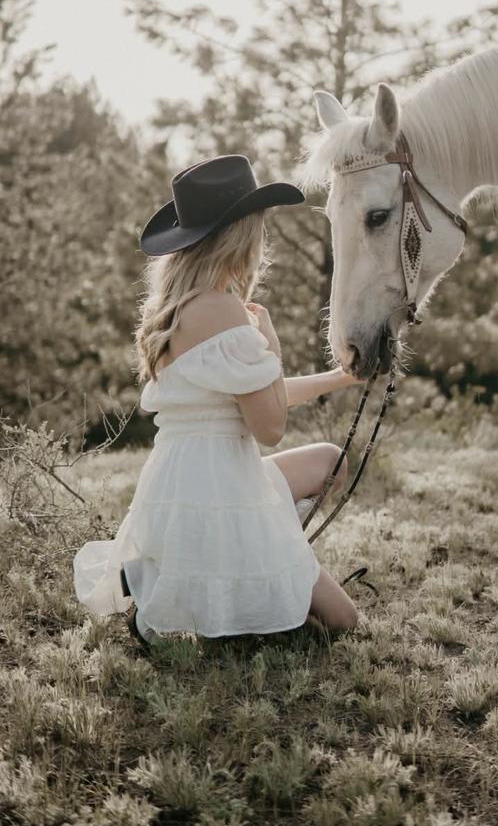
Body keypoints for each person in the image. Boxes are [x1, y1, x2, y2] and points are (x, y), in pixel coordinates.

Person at [72, 154, 363, 646]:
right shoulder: (223, 310)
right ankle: (243, 572)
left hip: (179, 485)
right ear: (240, 235)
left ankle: (219, 571)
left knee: (328, 460)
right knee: (344, 621)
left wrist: (341, 378)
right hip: (221, 489)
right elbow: (270, 426)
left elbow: (251, 397)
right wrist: (271, 344)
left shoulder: (173, 309)